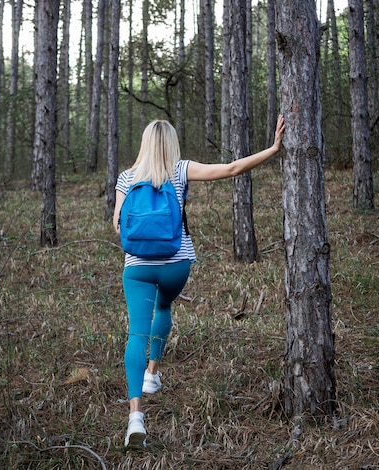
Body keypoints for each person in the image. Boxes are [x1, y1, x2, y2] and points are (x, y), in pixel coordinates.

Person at [113, 115, 285, 449]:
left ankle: (135, 416)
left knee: (137, 332)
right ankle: (153, 372)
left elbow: (118, 226)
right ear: (171, 144)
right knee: (164, 305)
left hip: (137, 267)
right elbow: (232, 169)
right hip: (176, 264)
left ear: (145, 144)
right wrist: (273, 148)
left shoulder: (127, 178)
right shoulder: (180, 170)